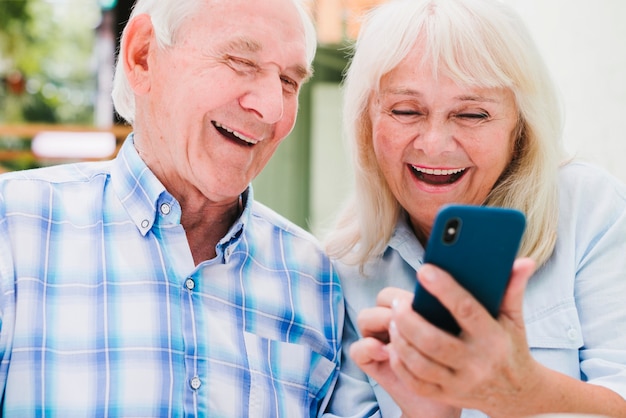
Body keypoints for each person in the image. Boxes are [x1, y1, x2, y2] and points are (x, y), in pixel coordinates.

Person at [0, 0, 343, 416]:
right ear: (143, 56)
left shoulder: (318, 280)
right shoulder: (14, 229)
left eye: (289, 82)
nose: (271, 107)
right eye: (240, 61)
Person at [321, 0, 626, 417]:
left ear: (519, 129)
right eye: (406, 110)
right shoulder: (343, 268)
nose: (434, 143)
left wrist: (528, 393)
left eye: (471, 114)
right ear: (367, 123)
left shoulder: (589, 210)